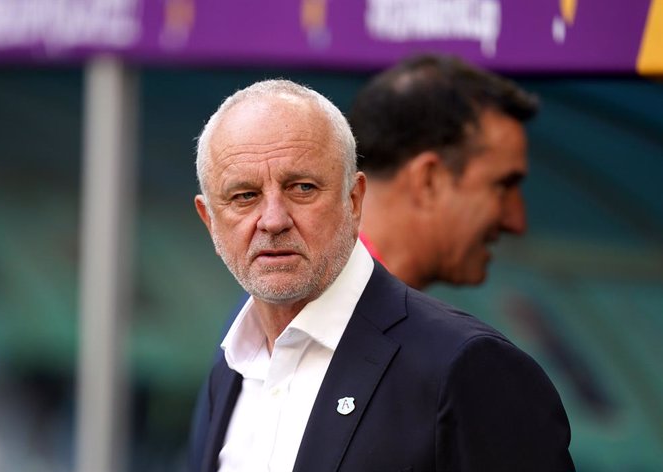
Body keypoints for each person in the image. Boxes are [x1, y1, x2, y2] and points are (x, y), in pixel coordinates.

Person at [188, 78, 573, 471]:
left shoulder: (468, 368)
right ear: (209, 220)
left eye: (302, 188)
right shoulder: (233, 364)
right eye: (244, 196)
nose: (272, 220)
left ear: (354, 200)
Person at [351, 54, 538, 288]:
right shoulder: (323, 308)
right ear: (428, 180)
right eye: (503, 186)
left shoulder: (332, 298)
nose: (517, 222)